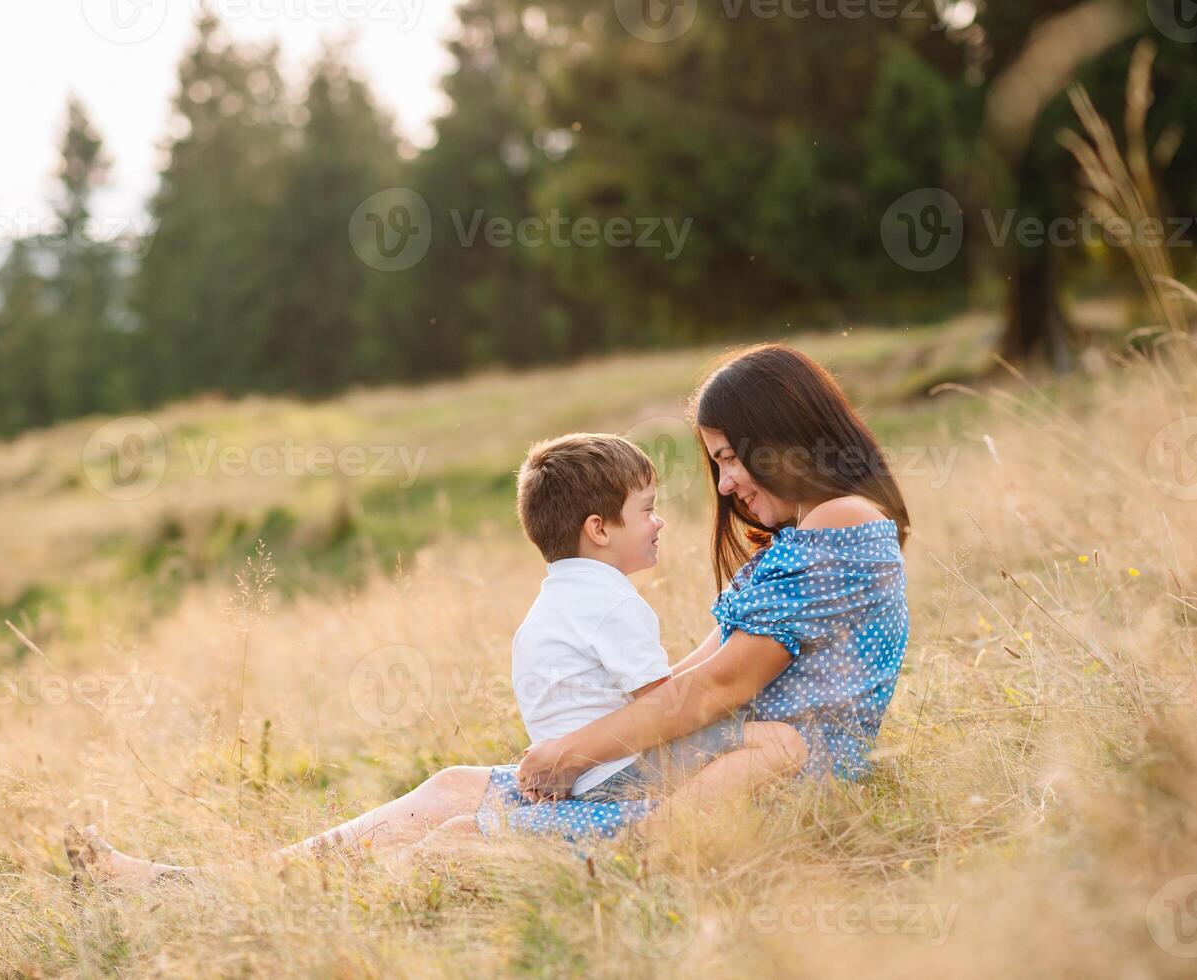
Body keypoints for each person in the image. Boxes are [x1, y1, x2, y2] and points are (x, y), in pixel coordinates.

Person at [64, 342, 911, 882]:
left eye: (729, 460)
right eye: (717, 463)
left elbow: (721, 687)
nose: (723, 485)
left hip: (761, 768)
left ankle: (219, 896)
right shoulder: (814, 533)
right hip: (714, 756)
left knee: (467, 827)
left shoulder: (840, 524)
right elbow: (699, 667)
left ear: (781, 436)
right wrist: (575, 749)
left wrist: (576, 748)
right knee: (455, 786)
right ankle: (209, 885)